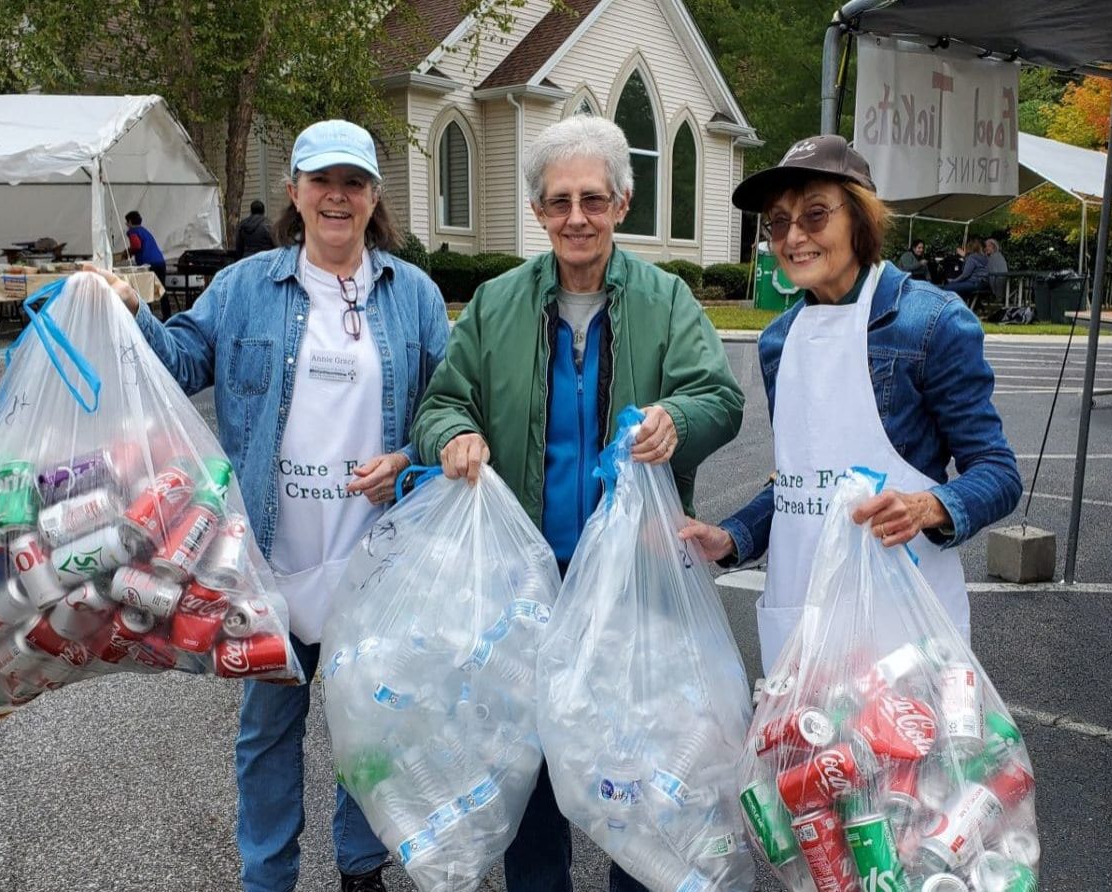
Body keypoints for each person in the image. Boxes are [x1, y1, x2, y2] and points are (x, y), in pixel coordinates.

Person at [94, 119, 449, 892]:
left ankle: (360, 866)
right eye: (321, 181)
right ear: (294, 190)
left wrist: (412, 462)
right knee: (266, 731)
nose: (336, 197)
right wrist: (128, 311)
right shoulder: (246, 287)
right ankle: (268, 876)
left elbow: (447, 404)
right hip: (269, 560)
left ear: (372, 197)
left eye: (352, 182)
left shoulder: (413, 295)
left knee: (369, 726)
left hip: (373, 558)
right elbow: (184, 362)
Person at [410, 115, 744, 892]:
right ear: (537, 212)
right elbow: (438, 407)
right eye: (557, 201)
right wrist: (453, 436)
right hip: (522, 589)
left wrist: (678, 420)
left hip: (633, 584)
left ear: (622, 203)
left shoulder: (665, 300)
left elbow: (719, 398)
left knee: (637, 765)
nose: (575, 218)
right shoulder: (495, 306)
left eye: (592, 199)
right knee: (530, 776)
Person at [679, 134, 1022, 675]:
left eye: (815, 215)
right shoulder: (778, 342)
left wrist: (928, 507)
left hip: (899, 624)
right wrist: (731, 537)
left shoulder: (931, 323)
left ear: (860, 220)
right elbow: (801, 484)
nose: (793, 237)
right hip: (802, 617)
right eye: (778, 221)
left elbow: (998, 473)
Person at [124, 210, 168, 286]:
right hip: (160, 262)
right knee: (160, 290)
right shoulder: (144, 231)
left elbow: (136, 246)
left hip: (148, 264)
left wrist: (129, 252)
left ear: (130, 222)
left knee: (149, 290)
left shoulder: (133, 231)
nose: (126, 225)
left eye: (126, 222)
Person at [947, 237, 989, 302]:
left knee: (948, 288)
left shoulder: (972, 257)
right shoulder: (983, 257)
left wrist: (953, 281)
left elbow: (965, 274)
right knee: (961, 291)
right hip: (983, 283)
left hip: (974, 283)